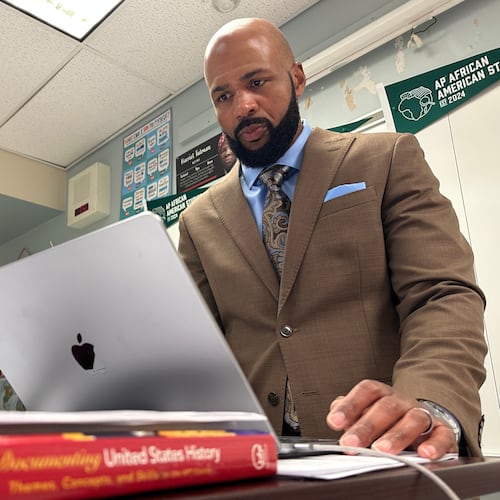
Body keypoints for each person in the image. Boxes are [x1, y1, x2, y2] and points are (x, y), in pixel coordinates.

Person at [178, 17, 487, 459]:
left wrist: (429, 399)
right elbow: (198, 347)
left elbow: (441, 294)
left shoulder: (385, 159)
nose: (242, 105)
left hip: (386, 448)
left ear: (297, 77)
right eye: (223, 95)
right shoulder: (198, 219)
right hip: (261, 462)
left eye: (257, 81)